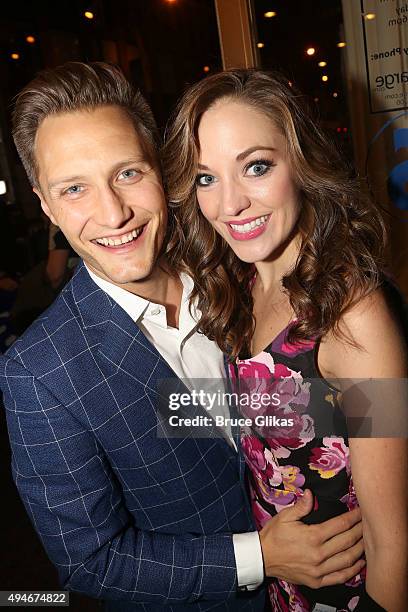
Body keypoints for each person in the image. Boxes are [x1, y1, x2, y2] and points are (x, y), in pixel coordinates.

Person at [0, 63, 365, 612]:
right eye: (74, 189)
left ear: (161, 169)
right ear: (45, 204)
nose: (113, 213)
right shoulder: (38, 373)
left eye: (127, 173)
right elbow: (87, 562)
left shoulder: (240, 264)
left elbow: (350, 406)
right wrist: (261, 556)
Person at [163, 69, 408, 611]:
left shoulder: (356, 317)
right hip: (274, 588)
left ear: (301, 162)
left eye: (255, 167)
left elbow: (396, 541)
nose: (231, 205)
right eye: (206, 178)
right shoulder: (239, 286)